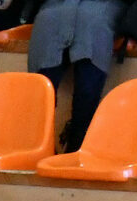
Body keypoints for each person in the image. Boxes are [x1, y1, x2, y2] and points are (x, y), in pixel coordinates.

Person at [26, 0, 125, 153]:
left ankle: (78, 143)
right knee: (42, 87)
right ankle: (40, 144)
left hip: (103, 8)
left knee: (87, 88)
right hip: (55, 7)